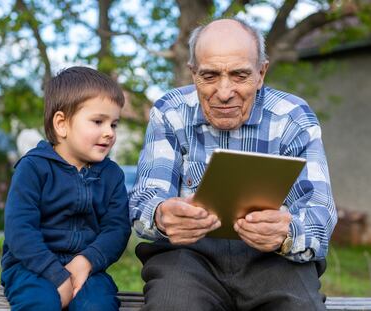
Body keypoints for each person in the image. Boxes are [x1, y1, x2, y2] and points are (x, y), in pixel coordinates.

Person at [129, 18, 337, 310]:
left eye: (240, 75)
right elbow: (144, 199)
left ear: (261, 72)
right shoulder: (170, 111)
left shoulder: (293, 117)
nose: (224, 92)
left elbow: (320, 212)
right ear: (193, 73)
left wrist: (287, 234)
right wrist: (161, 215)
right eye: (210, 76)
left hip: (274, 259)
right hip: (188, 257)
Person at [1, 66, 131, 311]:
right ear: (61, 124)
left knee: (98, 305)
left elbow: (117, 229)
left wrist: (86, 261)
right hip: (31, 266)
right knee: (40, 302)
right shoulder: (33, 168)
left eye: (114, 124)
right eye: (98, 121)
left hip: (88, 268)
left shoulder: (112, 175)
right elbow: (20, 230)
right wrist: (56, 276)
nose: (109, 133)